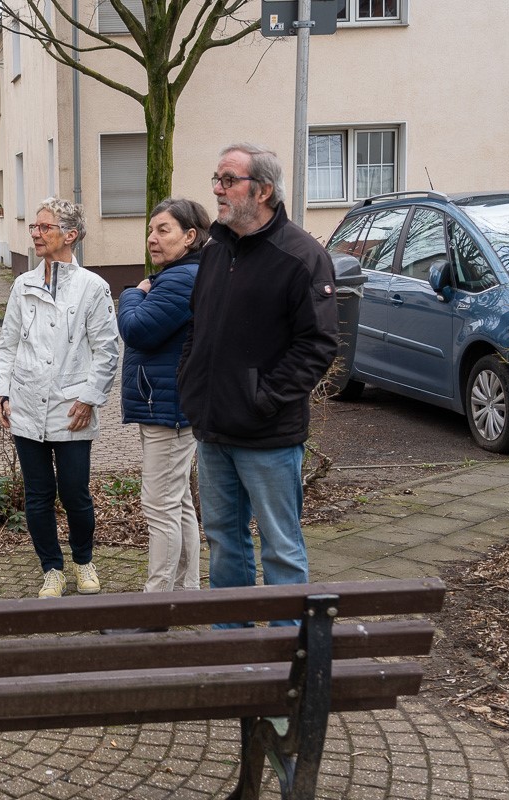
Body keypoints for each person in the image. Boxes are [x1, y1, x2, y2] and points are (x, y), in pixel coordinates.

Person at [177, 143, 339, 623]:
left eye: (228, 180)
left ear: (263, 189)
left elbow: (317, 345)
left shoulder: (302, 256)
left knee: (280, 545)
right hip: (213, 431)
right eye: (216, 178)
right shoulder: (213, 252)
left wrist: (262, 399)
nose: (216, 190)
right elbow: (198, 328)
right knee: (225, 541)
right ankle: (236, 643)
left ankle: (289, 653)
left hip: (267, 435)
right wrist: (191, 385)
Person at [0, 197, 120, 598]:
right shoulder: (23, 284)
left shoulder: (92, 288)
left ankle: (83, 562)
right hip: (26, 405)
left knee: (76, 492)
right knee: (38, 495)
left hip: (72, 409)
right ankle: (52, 568)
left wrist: (89, 398)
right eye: (34, 227)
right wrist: (1, 390)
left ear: (70, 234)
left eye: (45, 228)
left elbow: (107, 350)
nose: (36, 234)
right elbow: (8, 343)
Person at [117, 198, 211, 604]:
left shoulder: (179, 280)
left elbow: (137, 330)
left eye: (164, 230)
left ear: (190, 236)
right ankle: (187, 589)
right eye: (151, 230)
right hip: (170, 407)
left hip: (168, 412)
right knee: (179, 502)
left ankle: (157, 601)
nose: (153, 239)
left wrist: (130, 294)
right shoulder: (182, 275)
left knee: (159, 507)